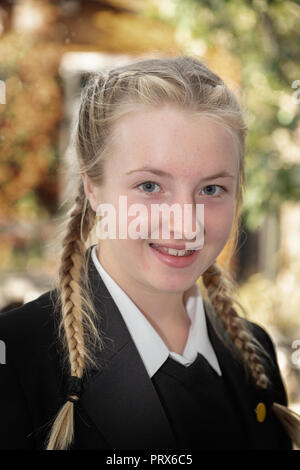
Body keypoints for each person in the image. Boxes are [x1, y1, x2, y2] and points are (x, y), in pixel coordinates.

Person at [0, 56, 299, 451]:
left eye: (211, 190)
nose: (185, 224)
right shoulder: (18, 359)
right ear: (93, 187)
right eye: (150, 186)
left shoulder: (253, 355)